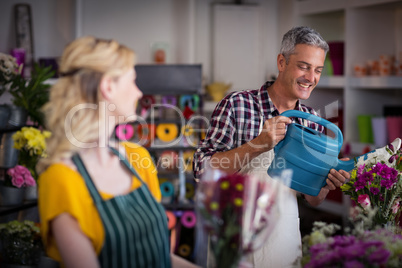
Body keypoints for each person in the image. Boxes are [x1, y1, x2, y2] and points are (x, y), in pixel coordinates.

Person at [193, 26, 351, 267]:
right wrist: (257, 145)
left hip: (283, 240)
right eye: (304, 66)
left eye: (317, 70)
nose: (311, 78)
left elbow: (313, 198)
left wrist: (326, 184)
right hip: (234, 238)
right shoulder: (237, 105)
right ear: (281, 62)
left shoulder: (312, 121)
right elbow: (202, 170)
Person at [37, 36, 199, 268]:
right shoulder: (62, 180)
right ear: (108, 87)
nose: (138, 92)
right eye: (132, 81)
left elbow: (160, 258)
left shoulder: (138, 158)